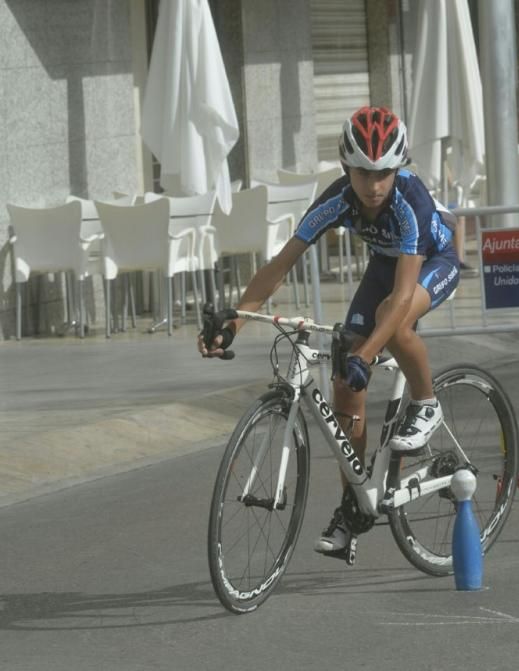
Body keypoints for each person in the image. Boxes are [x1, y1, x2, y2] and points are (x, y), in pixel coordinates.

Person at [198, 106, 461, 556]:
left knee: (389, 323)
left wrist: (365, 355)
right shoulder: (336, 199)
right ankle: (353, 506)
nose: (374, 185)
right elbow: (280, 267)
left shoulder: (409, 202)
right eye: (362, 173)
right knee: (345, 387)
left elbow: (399, 302)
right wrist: (235, 322)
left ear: (397, 170)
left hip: (433, 263)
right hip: (385, 266)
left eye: (384, 173)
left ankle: (427, 402)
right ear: (345, 169)